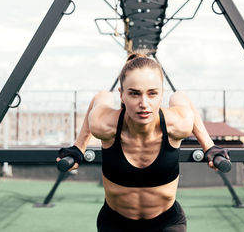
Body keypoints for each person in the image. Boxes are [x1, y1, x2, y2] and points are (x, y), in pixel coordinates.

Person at [57, 53, 230, 232]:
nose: (144, 103)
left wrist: (209, 146)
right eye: (134, 94)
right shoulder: (105, 124)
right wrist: (79, 147)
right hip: (115, 222)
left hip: (167, 223)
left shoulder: (177, 124)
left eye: (153, 93)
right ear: (122, 95)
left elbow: (181, 97)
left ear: (161, 94)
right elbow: (101, 96)